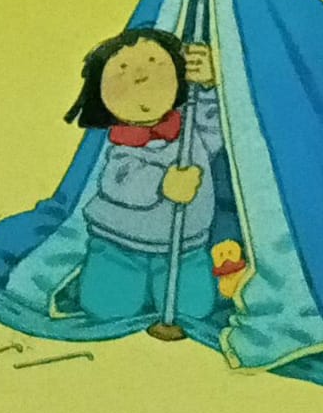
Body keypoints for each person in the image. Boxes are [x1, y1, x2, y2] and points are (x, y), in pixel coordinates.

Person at [64, 26, 222, 325]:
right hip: (120, 244)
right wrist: (162, 184)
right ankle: (90, 280)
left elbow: (216, 127)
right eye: (121, 69)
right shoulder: (122, 146)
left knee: (193, 311)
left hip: (185, 247)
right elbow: (119, 181)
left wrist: (209, 86)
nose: (140, 76)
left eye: (153, 62)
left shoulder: (190, 129)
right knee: (107, 309)